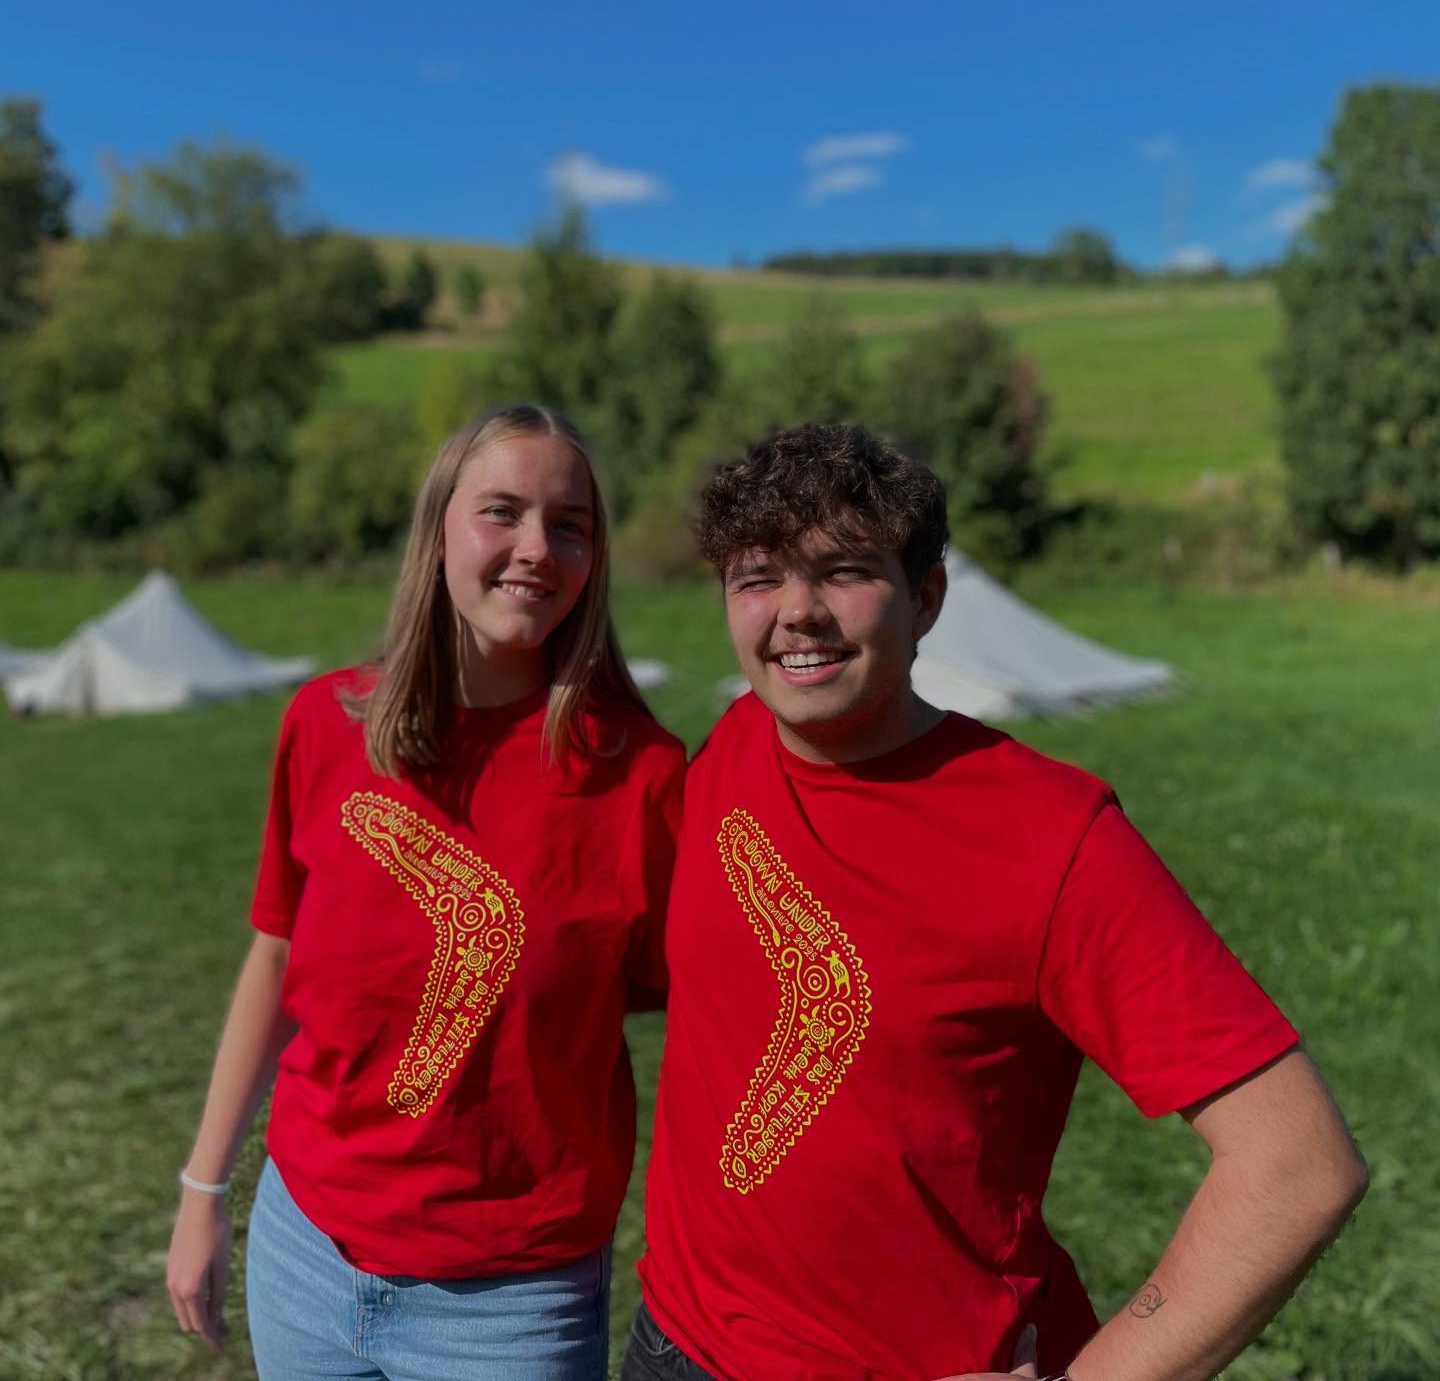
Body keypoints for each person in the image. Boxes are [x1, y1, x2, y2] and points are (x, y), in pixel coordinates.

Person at [623, 424, 1366, 1381]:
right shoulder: (730, 746)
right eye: (758, 578)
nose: (797, 612)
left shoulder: (1053, 838)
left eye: (844, 571)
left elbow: (1299, 1164)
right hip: (675, 1344)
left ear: (927, 598)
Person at [167, 404, 686, 1381]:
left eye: (570, 525)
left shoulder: (642, 778)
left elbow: (701, 1017)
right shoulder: (325, 725)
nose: (537, 549)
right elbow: (276, 955)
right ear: (438, 527)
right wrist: (204, 1191)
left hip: (510, 1304)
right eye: (503, 512)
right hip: (303, 1250)